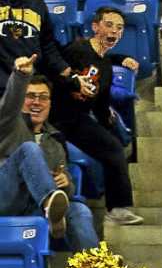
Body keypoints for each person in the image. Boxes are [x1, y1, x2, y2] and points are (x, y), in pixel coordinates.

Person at [53, 7, 142, 228]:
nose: (114, 31)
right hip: (55, 117)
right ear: (95, 27)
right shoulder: (77, 49)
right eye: (109, 25)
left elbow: (101, 106)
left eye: (119, 28)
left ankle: (117, 209)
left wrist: (112, 128)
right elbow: (54, 71)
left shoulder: (106, 66)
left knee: (113, 148)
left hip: (77, 120)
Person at [0, 62, 97, 247]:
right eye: (30, 96)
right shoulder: (8, 123)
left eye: (43, 97)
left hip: (31, 208)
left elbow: (66, 189)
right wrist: (20, 77)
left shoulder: (55, 140)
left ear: (50, 104)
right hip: (4, 197)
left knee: (79, 210)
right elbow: (8, 105)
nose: (37, 102)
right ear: (21, 101)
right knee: (29, 149)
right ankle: (48, 205)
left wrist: (66, 182)